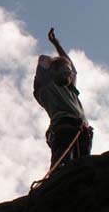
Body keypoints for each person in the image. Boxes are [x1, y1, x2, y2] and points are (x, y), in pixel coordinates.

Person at [33, 28, 93, 170]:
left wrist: (57, 45)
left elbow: (72, 68)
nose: (69, 73)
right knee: (62, 162)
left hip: (83, 130)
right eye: (66, 70)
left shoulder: (70, 88)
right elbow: (43, 60)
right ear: (53, 71)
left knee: (83, 167)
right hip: (64, 126)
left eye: (70, 72)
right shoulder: (46, 87)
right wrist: (56, 62)